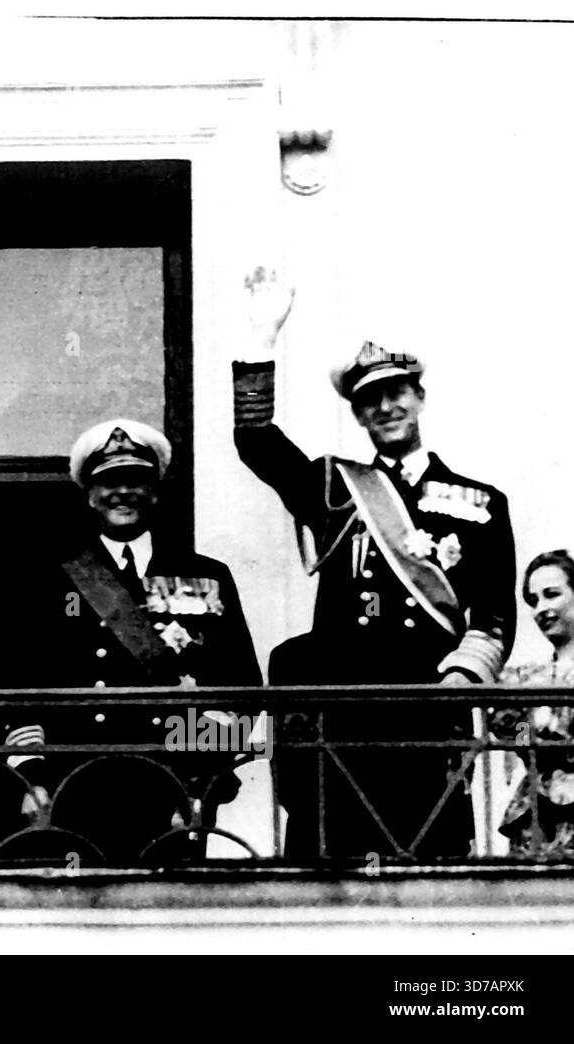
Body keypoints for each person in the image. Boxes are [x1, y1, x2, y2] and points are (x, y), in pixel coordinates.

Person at [233, 268, 516, 860]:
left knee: (431, 872)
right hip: (344, 720)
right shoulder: (336, 488)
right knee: (329, 875)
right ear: (358, 416)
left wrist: (460, 682)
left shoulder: (482, 502)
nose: (386, 408)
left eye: (395, 394)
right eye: (369, 401)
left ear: (419, 397)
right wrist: (262, 337)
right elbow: (258, 443)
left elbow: (491, 614)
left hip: (426, 712)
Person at [0, 418, 262, 865]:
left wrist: (199, 777)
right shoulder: (51, 580)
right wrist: (34, 777)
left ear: (155, 490)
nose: (122, 492)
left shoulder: (206, 574)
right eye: (109, 482)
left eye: (135, 480)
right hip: (75, 781)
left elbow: (241, 687)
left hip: (172, 782)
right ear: (89, 495)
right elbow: (22, 686)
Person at [489, 550, 574, 859]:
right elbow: (517, 737)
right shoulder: (525, 679)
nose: (542, 608)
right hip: (539, 818)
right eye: (533, 600)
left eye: (552, 594)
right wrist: (531, 729)